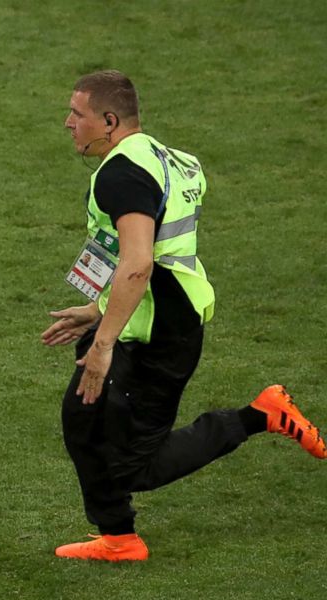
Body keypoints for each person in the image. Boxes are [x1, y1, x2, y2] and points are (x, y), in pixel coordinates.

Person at [43, 70, 325, 562]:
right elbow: (156, 251)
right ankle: (118, 537)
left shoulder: (121, 173)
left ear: (109, 120)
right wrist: (97, 310)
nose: (68, 123)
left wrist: (103, 344)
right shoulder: (174, 159)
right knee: (81, 417)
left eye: (77, 114)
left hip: (160, 335)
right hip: (145, 317)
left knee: (135, 465)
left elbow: (139, 263)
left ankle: (261, 415)